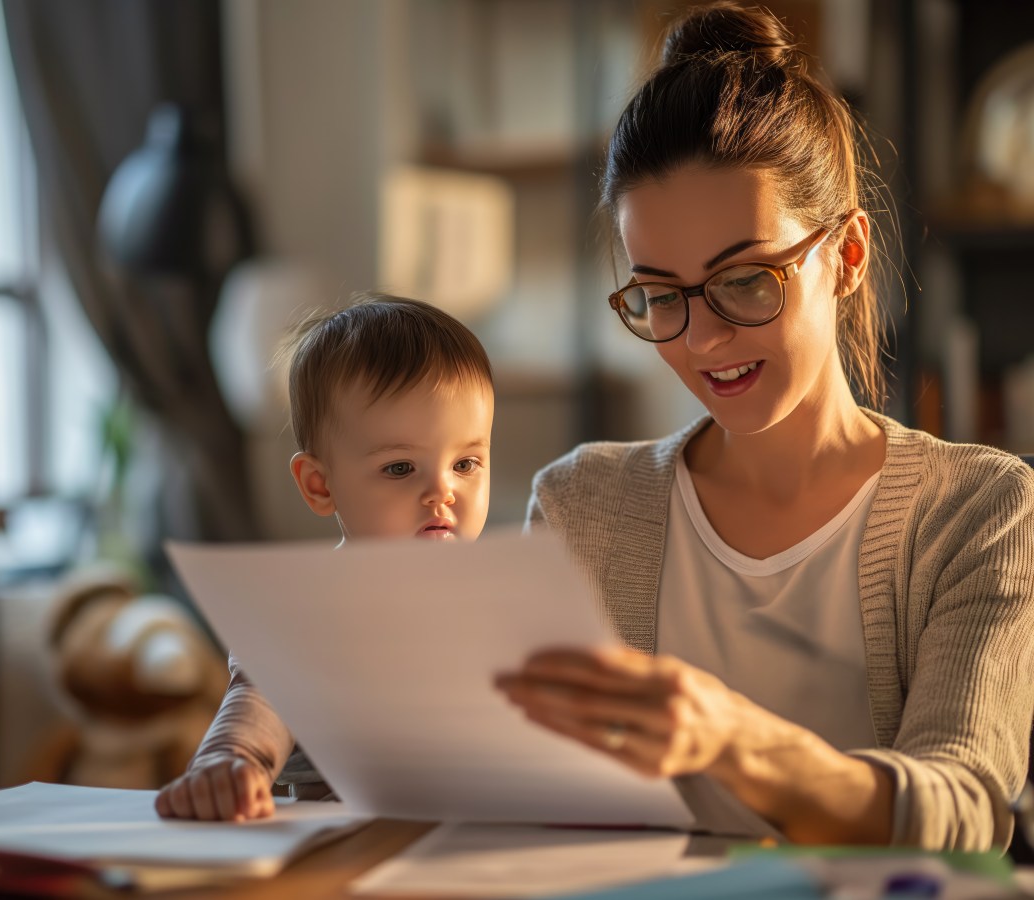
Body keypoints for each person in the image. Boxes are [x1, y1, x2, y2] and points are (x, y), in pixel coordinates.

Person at [496, 2, 1034, 852]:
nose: (703, 339)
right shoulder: (580, 507)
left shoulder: (980, 509)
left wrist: (736, 741)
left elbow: (963, 816)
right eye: (661, 296)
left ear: (848, 256)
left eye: (745, 280)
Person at [155, 293, 494, 822]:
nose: (442, 491)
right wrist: (232, 761)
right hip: (350, 848)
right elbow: (262, 701)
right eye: (401, 469)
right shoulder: (308, 608)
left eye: (466, 462)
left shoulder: (504, 596)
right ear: (320, 485)